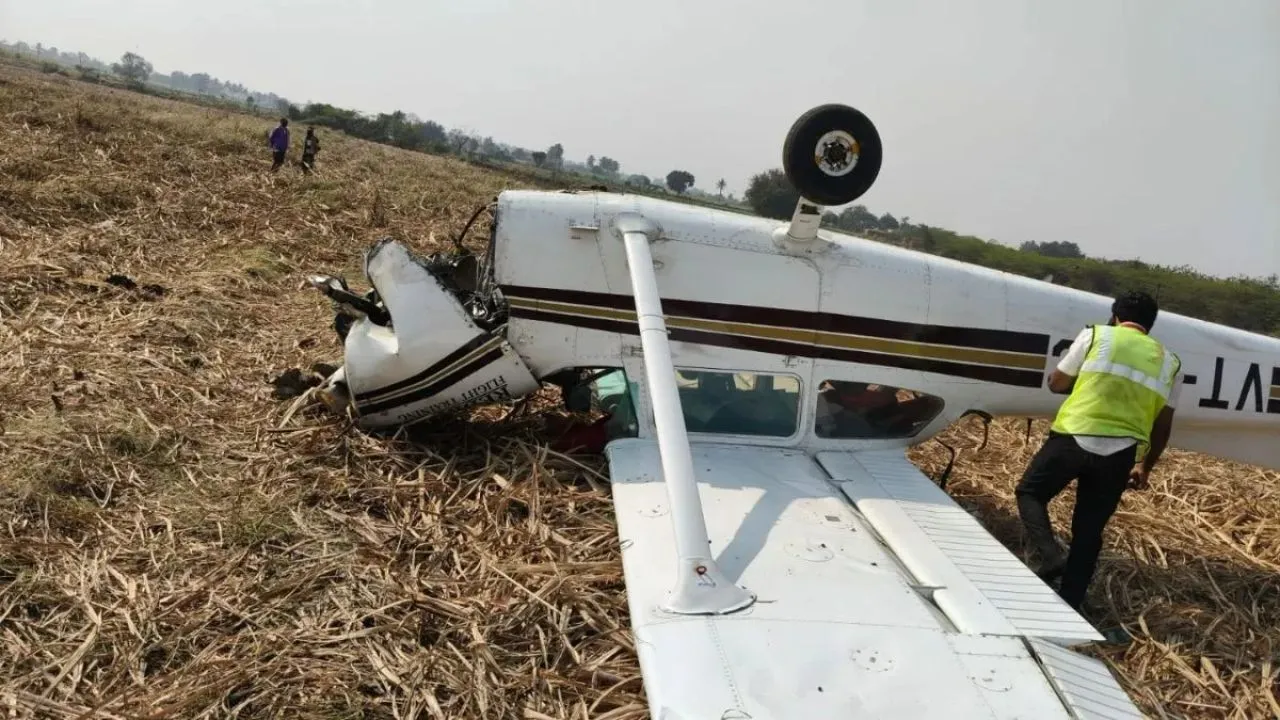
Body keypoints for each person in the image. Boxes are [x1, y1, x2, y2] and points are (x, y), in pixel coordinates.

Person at [1016, 290, 1181, 611]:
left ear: (1116, 316)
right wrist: (1145, 466)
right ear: (1151, 324)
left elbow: (1057, 383)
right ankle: (1071, 601)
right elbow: (1163, 426)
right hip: (1121, 453)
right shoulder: (1170, 363)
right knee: (1089, 531)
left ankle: (1051, 556)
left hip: (1074, 435)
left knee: (1030, 493)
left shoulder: (1096, 335)